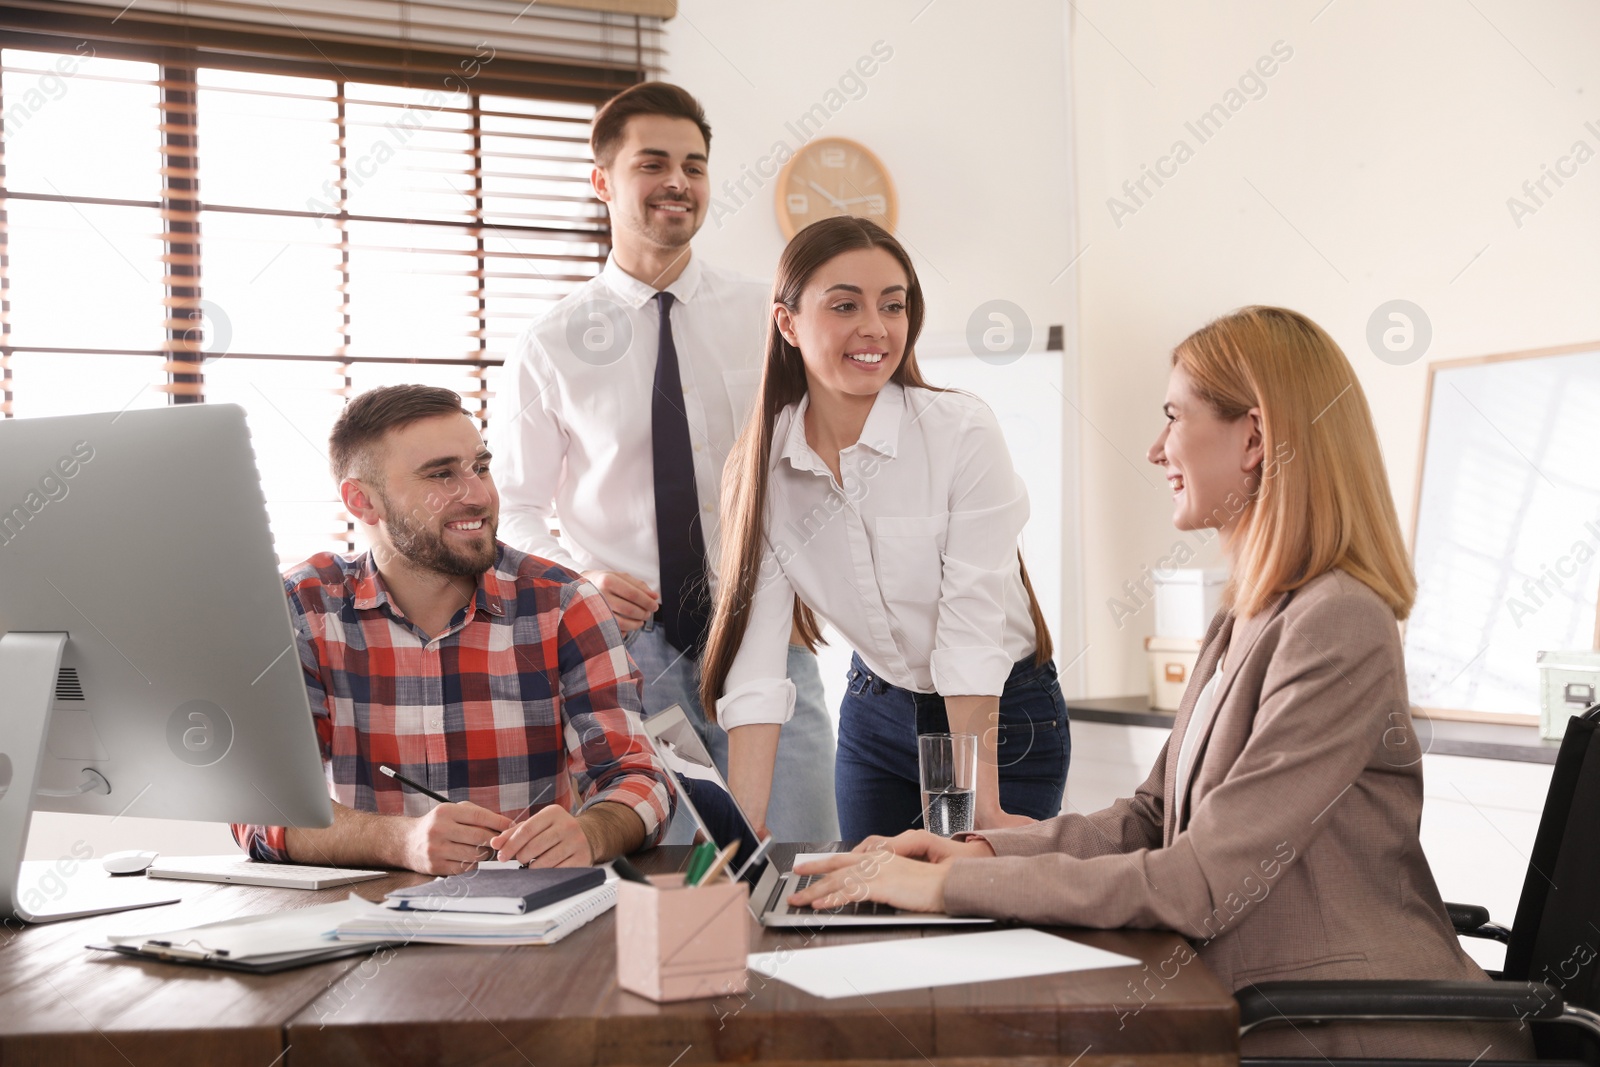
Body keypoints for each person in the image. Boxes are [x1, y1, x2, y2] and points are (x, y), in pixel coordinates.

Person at [788, 306, 1532, 1059]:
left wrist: (948, 891)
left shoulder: (1339, 623)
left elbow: (1198, 880)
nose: (1155, 448)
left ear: (1254, 438)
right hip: (1253, 999)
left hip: (1348, 1027)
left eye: (1174, 416)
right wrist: (975, 854)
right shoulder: (1247, 615)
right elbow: (1148, 818)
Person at [490, 81, 838, 842]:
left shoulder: (769, 317)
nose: (679, 181)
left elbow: (818, 458)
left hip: (766, 634)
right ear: (602, 180)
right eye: (653, 163)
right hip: (628, 654)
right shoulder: (551, 343)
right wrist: (577, 579)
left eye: (695, 164)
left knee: (803, 870)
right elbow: (512, 505)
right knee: (664, 891)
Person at [701, 216, 1070, 842]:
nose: (875, 327)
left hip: (1001, 716)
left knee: (981, 920)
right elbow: (758, 664)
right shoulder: (761, 469)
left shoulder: (960, 432)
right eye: (845, 304)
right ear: (786, 323)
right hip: (877, 716)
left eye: (893, 305)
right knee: (871, 913)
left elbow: (971, 631)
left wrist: (979, 806)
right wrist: (745, 824)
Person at [231, 385, 675, 875]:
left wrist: (590, 833)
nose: (479, 495)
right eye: (442, 475)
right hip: (365, 921)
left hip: (531, 922)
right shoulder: (304, 610)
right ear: (362, 501)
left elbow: (640, 779)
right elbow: (258, 807)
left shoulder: (565, 604)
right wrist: (399, 841)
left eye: (480, 468)